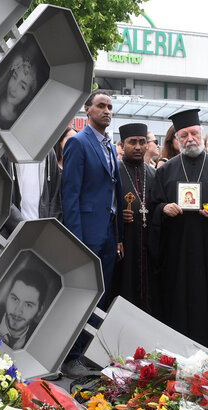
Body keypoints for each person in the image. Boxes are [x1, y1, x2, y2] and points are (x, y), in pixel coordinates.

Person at [147, 108, 208, 355]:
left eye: (194, 134)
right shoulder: (165, 171)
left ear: (202, 133)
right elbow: (153, 207)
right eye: (184, 135)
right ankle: (177, 348)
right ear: (177, 139)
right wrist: (164, 209)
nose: (190, 139)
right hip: (176, 249)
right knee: (177, 298)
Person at [61, 91, 124, 377]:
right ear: (88, 110)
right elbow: (70, 195)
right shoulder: (77, 142)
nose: (107, 111)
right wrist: (76, 241)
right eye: (101, 106)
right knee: (83, 296)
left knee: (101, 296)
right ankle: (71, 357)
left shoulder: (110, 146)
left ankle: (88, 354)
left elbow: (114, 194)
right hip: (86, 235)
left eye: (110, 107)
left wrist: (119, 236)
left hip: (109, 234)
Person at [110, 123, 157, 313]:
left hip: (148, 245)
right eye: (132, 142)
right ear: (122, 145)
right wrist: (118, 216)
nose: (138, 147)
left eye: (142, 142)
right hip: (125, 243)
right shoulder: (114, 172)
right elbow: (106, 205)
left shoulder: (154, 173)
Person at [0, 36, 48, 129]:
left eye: (22, 86)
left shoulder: (22, 123)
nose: (14, 88)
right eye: (14, 77)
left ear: (28, 94)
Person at [0, 274, 49, 349]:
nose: (17, 311)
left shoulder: (40, 343)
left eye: (28, 305)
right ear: (7, 296)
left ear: (40, 310)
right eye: (15, 299)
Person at [39, 127, 77, 221]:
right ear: (60, 141)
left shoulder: (78, 169)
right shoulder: (50, 167)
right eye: (70, 139)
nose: (74, 144)